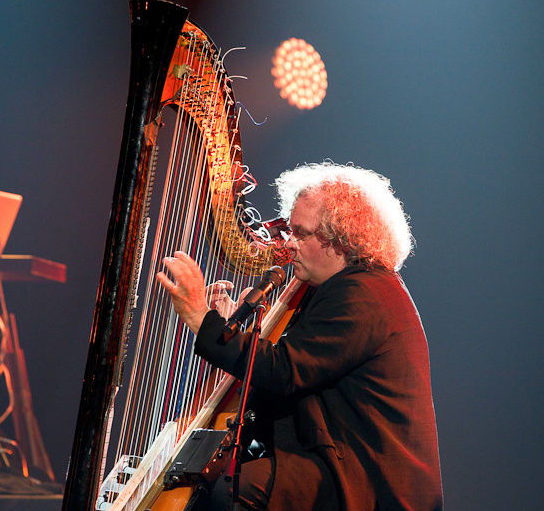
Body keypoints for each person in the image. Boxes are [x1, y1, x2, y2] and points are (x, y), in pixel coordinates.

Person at [157, 162, 443, 510]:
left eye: (301, 233)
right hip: (336, 458)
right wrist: (234, 325)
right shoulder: (343, 286)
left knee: (224, 494)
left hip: (367, 480)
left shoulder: (363, 295)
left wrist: (200, 318)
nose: (288, 243)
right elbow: (301, 362)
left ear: (341, 240)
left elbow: (284, 370)